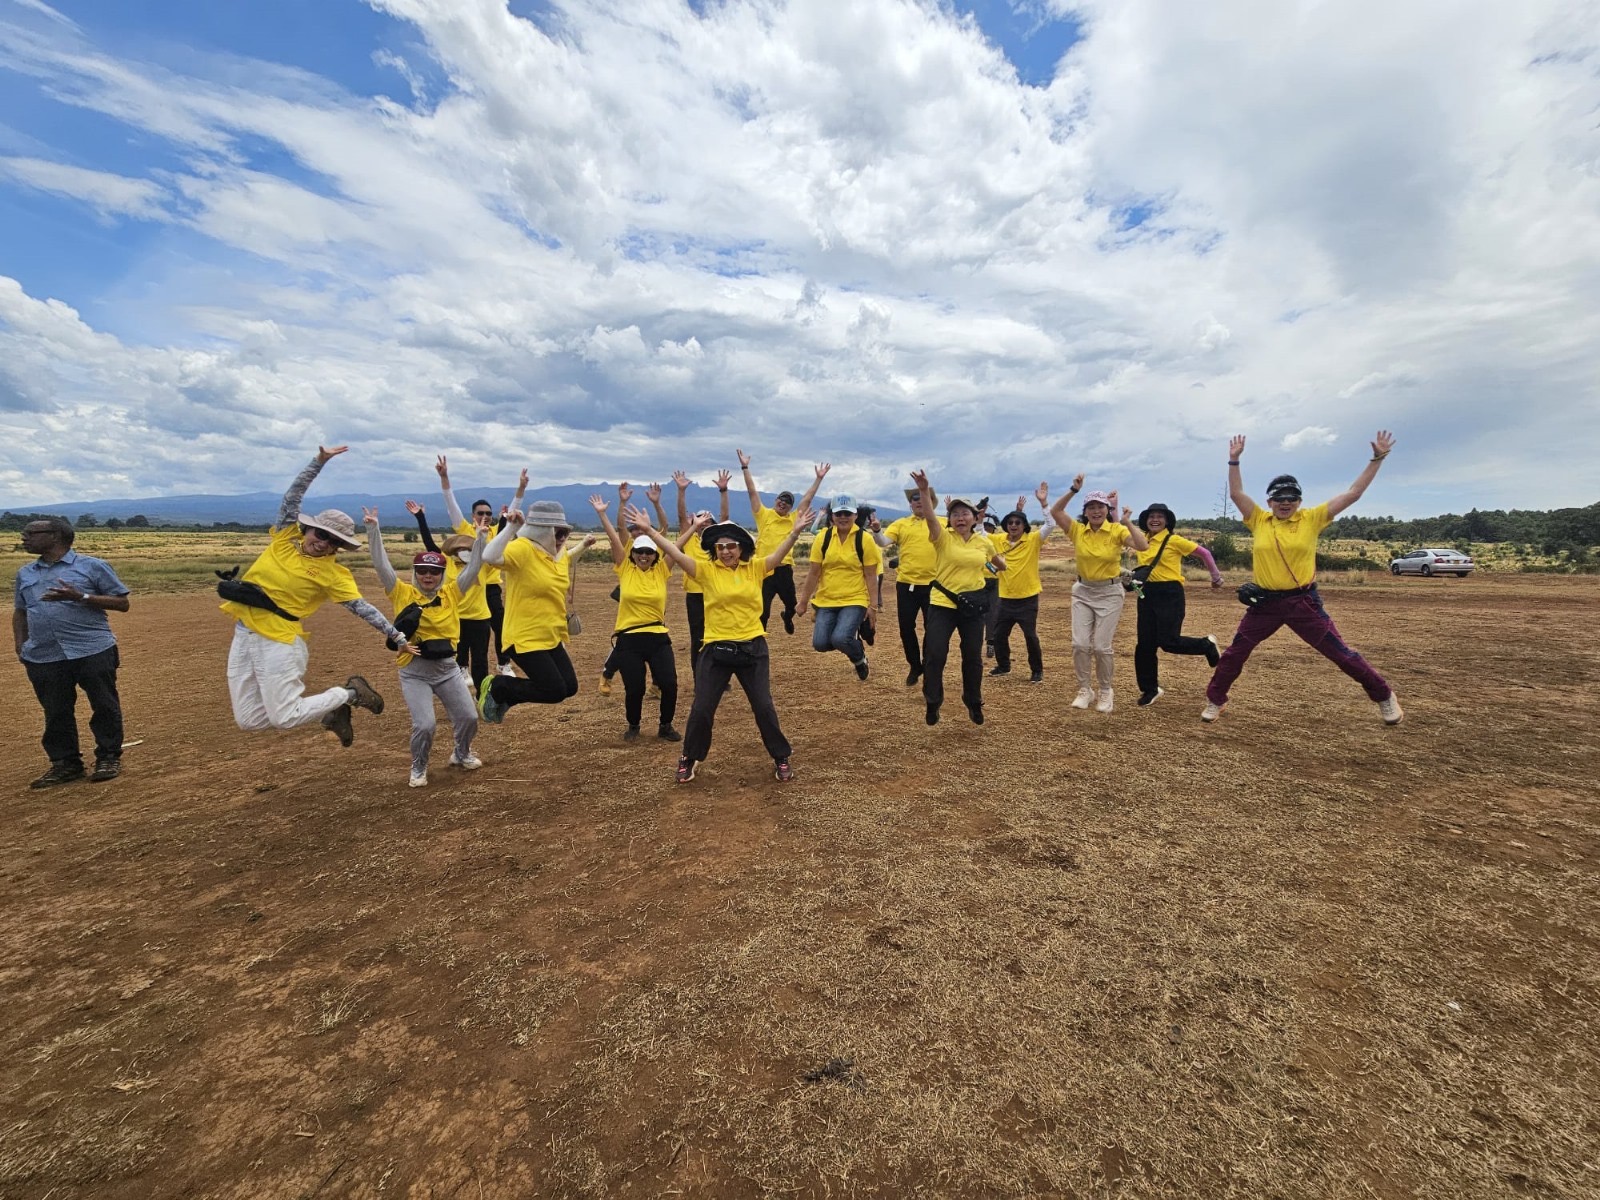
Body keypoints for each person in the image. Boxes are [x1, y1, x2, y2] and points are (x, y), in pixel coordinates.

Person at [1202, 432, 1403, 725]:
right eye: (1279, 497)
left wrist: (1377, 459)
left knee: (1340, 654)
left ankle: (1384, 695)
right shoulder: (1259, 520)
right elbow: (1236, 494)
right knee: (1235, 653)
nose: (1285, 502)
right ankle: (1216, 699)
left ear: (1299, 501)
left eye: (1291, 497)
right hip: (1264, 604)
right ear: (1269, 501)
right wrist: (1234, 460)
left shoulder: (1312, 518)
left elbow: (1353, 494)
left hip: (1302, 603)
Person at [221, 445, 409, 747]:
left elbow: (362, 608)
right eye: (321, 534)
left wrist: (397, 636)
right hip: (244, 634)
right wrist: (318, 462)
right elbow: (292, 497)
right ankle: (334, 710)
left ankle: (350, 693)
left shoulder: (334, 574)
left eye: (334, 542)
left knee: (285, 717)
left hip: (279, 641)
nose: (324, 544)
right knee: (249, 720)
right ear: (308, 529)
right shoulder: (285, 538)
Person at [625, 500, 814, 783]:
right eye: (720, 547)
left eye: (731, 546)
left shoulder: (755, 568)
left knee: (763, 706)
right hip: (716, 649)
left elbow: (778, 555)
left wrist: (795, 531)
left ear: (741, 547)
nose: (725, 551)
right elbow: (673, 552)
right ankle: (689, 757)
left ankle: (781, 756)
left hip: (752, 648)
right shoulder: (706, 570)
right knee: (702, 707)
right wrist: (650, 531)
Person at [365, 508, 489, 787]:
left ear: (442, 574)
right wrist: (373, 529)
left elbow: (474, 567)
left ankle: (461, 753)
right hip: (414, 671)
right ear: (415, 572)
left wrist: (480, 539)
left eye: (434, 571)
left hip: (447, 669)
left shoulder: (452, 593)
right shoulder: (402, 593)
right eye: (422, 570)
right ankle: (418, 766)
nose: (428, 576)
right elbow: (382, 566)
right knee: (425, 725)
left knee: (469, 717)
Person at [14, 516, 131, 787]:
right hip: (44, 654)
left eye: (31, 532)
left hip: (92, 649)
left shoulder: (92, 566)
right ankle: (65, 764)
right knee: (55, 710)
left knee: (104, 704)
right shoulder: (25, 573)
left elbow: (122, 603)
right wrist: (20, 644)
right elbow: (20, 611)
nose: (23, 537)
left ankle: (108, 757)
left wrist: (81, 597)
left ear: (55, 535)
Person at [909, 471, 1006, 726]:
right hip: (943, 604)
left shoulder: (983, 543)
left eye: (965, 513)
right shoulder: (942, 538)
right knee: (935, 654)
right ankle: (933, 702)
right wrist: (924, 490)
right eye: (955, 514)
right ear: (950, 519)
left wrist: (1001, 563)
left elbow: (998, 563)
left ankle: (973, 701)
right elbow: (930, 517)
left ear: (975, 518)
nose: (960, 517)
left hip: (973, 606)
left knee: (972, 657)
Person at [477, 497, 582, 723]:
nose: (562, 538)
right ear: (542, 531)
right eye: (558, 533)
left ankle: (507, 696)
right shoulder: (523, 548)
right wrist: (511, 528)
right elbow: (489, 556)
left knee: (569, 687)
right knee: (554, 690)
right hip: (524, 636)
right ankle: (499, 686)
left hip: (550, 634)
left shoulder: (558, 554)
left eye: (565, 532)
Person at [1049, 477, 1149, 713]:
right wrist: (1073, 489)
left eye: (1100, 507)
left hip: (1109, 593)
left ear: (1107, 510)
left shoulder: (1116, 530)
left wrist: (1127, 522)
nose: (1096, 511)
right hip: (1083, 591)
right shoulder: (1077, 531)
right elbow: (1056, 511)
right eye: (1091, 507)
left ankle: (1105, 690)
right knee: (1080, 644)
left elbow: (1142, 546)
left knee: (1102, 647)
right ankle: (1085, 689)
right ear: (1085, 511)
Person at [589, 492, 681, 742]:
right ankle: (633, 725)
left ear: (655, 555)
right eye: (639, 551)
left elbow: (676, 547)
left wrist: (693, 527)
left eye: (649, 552)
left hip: (658, 637)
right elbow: (614, 536)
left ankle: (666, 726)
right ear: (633, 553)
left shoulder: (661, 570)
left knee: (669, 683)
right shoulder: (625, 569)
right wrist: (602, 514)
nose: (643, 555)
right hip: (629, 640)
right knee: (635, 687)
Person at [434, 456, 525, 677]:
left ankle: (503, 663)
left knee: (500, 625)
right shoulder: (463, 529)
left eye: (488, 513)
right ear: (473, 515)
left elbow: (512, 517)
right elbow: (451, 504)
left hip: (490, 586)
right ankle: (462, 667)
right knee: (464, 627)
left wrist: (521, 488)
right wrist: (444, 477)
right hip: (467, 586)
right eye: (480, 513)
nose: (485, 516)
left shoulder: (495, 532)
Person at [1130, 503, 1225, 707]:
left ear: (1167, 521)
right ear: (1145, 520)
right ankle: (1150, 689)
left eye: (1160, 516)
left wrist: (1216, 578)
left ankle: (1206, 645)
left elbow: (1205, 554)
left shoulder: (1174, 540)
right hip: (1146, 593)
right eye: (1151, 516)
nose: (1155, 520)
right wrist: (1113, 506)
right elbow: (1118, 526)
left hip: (1170, 593)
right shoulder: (1142, 540)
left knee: (1169, 641)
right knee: (1145, 645)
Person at [405, 499, 494, 694]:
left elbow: (491, 549)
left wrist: (483, 535)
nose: (464, 551)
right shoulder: (447, 563)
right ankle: (457, 695)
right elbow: (429, 544)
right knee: (455, 659)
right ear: (454, 550)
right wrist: (420, 517)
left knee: (480, 660)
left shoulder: (482, 564)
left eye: (468, 548)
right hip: (454, 618)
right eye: (460, 549)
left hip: (480, 618)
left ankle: (482, 696)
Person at [735, 451, 830, 634]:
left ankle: (787, 616)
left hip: (784, 569)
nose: (783, 503)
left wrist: (818, 479)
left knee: (792, 605)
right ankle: (759, 638)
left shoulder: (794, 519)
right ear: (775, 500)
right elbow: (752, 492)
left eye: (788, 502)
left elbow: (807, 499)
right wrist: (745, 467)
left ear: (791, 507)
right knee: (762, 611)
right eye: (781, 499)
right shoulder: (763, 515)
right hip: (764, 569)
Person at [795, 493, 881, 680]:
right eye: (838, 513)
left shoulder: (864, 539)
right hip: (826, 599)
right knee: (820, 644)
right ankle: (852, 641)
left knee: (840, 638)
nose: (843, 517)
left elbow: (870, 575)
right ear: (832, 516)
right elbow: (814, 573)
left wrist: (873, 606)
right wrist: (803, 602)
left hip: (855, 598)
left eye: (847, 513)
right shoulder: (823, 538)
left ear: (855, 515)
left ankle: (859, 658)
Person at [598, 481, 671, 695]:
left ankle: (656, 684)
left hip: (654, 591)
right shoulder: (628, 546)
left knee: (656, 636)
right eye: (634, 529)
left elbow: (665, 527)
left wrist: (656, 504)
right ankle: (608, 672)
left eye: (641, 528)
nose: (638, 531)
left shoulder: (655, 546)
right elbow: (620, 528)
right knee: (629, 636)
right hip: (631, 589)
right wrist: (622, 503)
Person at [987, 485, 1056, 683]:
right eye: (1010, 522)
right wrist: (980, 514)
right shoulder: (999, 540)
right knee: (999, 635)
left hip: (1027, 599)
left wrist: (1044, 503)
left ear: (1024, 525)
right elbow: (980, 534)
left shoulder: (1033, 540)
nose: (1013, 525)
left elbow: (1050, 524)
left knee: (1030, 636)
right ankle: (1003, 666)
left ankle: (1037, 670)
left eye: (1018, 522)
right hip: (1005, 598)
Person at [880, 483, 940, 686]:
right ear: (910, 504)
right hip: (906, 584)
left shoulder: (942, 522)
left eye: (923, 497)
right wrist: (877, 530)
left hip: (934, 585)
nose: (919, 501)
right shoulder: (901, 524)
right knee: (906, 628)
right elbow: (883, 542)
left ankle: (928, 666)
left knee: (932, 629)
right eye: (915, 498)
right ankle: (915, 665)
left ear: (932, 502)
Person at [674, 469, 730, 675]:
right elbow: (681, 516)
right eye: (700, 520)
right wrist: (681, 491)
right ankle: (700, 678)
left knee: (720, 635)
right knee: (698, 637)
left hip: (717, 593)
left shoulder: (718, 541)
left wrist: (723, 491)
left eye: (708, 521)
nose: (704, 523)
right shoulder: (689, 538)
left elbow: (725, 517)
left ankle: (719, 675)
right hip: (695, 595)